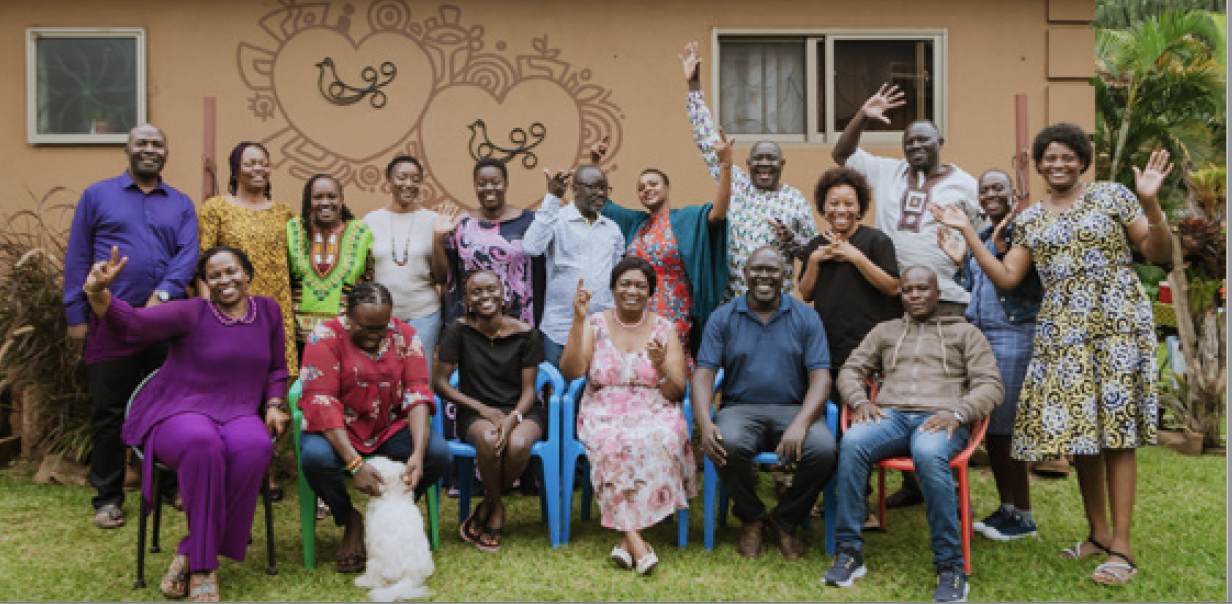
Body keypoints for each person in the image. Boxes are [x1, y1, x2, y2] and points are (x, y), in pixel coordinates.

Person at [932, 124, 1174, 586]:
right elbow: (1006, 277)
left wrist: (1151, 202)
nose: (1058, 164)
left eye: (1067, 156)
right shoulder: (1029, 219)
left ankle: (1122, 549)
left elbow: (1156, 251)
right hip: (1062, 330)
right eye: (1049, 158)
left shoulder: (1114, 197)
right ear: (1039, 165)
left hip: (1117, 324)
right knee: (1083, 432)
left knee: (1117, 435)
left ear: (1082, 160)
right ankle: (1099, 535)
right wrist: (967, 234)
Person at [85, 245, 289, 602]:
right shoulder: (192, 312)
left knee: (255, 447)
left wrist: (273, 404)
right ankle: (204, 567)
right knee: (201, 443)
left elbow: (276, 368)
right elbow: (131, 323)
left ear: (247, 273)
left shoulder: (269, 312)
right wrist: (96, 291)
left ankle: (189, 551)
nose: (224, 280)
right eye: (214, 276)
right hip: (179, 409)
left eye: (231, 272)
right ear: (204, 283)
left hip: (240, 411)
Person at [832, 83, 983, 508]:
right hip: (894, 297)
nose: (916, 146)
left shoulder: (966, 185)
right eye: (909, 141)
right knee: (898, 384)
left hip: (949, 297)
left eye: (924, 140)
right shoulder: (888, 171)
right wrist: (862, 114)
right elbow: (841, 155)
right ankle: (914, 483)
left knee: (944, 386)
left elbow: (986, 234)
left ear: (940, 143)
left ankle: (945, 480)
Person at [827, 266, 1003, 603]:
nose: (915, 295)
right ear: (901, 294)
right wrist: (860, 401)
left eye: (923, 289)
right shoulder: (886, 331)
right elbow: (851, 370)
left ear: (938, 294)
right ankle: (850, 552)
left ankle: (951, 567)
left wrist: (958, 413)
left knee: (927, 451)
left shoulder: (966, 333)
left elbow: (991, 384)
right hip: (890, 416)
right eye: (908, 290)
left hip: (941, 419)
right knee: (851, 442)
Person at [62, 123, 199, 530]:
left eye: (158, 143)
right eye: (142, 142)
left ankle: (172, 487)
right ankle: (107, 497)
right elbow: (78, 255)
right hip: (109, 320)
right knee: (108, 412)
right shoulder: (97, 195)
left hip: (164, 323)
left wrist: (165, 294)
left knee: (172, 405)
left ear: (166, 153)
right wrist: (75, 315)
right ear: (128, 149)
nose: (150, 149)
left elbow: (188, 254)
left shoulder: (181, 203)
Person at [692, 246, 837, 561]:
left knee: (824, 450)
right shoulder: (724, 316)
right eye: (757, 269)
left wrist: (800, 423)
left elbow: (821, 378)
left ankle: (785, 520)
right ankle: (751, 517)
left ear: (784, 275)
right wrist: (704, 423)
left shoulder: (805, 316)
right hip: (740, 410)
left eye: (772, 270)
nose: (764, 276)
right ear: (745, 274)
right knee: (724, 443)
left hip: (794, 410)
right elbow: (703, 376)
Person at [297, 282, 453, 574]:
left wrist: (418, 454)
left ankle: (392, 510)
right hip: (337, 430)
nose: (374, 336)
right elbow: (322, 402)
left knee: (439, 455)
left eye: (381, 328)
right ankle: (349, 519)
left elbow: (417, 393)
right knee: (315, 459)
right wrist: (355, 464)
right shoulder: (325, 337)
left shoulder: (405, 335)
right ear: (348, 316)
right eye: (365, 328)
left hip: (387, 427)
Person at [560, 257, 695, 575]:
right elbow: (572, 370)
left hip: (655, 406)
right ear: (613, 288)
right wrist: (578, 321)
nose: (632, 290)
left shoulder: (664, 328)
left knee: (661, 437)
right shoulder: (594, 324)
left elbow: (676, 391)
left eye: (640, 285)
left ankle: (627, 542)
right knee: (613, 443)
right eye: (625, 284)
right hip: (604, 408)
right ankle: (636, 540)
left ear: (650, 292)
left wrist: (661, 367)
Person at [936, 168, 1044, 541]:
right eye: (985, 190)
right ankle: (1007, 507)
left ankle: (1024, 516)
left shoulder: (1022, 232)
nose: (991, 194)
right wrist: (958, 261)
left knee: (1006, 429)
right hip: (982, 337)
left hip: (1013, 335)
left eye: (998, 187)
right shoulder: (985, 234)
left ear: (1013, 192)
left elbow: (1008, 279)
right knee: (993, 428)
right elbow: (976, 283)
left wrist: (965, 232)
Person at [795, 166, 902, 523]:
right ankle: (832, 497)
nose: (840, 209)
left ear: (860, 207)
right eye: (833, 203)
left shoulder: (876, 242)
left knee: (861, 427)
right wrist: (814, 260)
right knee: (831, 426)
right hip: (828, 349)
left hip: (869, 352)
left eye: (848, 203)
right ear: (824, 208)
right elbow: (806, 293)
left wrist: (855, 257)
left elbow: (892, 287)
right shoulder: (816, 245)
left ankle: (861, 503)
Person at [680, 41, 818, 302]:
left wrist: (791, 240)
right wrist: (694, 86)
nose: (764, 164)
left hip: (778, 307)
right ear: (748, 164)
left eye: (771, 159)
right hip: (733, 305)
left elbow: (811, 253)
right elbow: (705, 138)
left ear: (782, 165)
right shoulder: (737, 186)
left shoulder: (795, 200)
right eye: (758, 159)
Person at [198, 141, 298, 500]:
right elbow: (204, 263)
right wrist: (208, 313)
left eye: (264, 163)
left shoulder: (285, 212)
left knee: (275, 388)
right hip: (230, 310)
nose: (258, 168)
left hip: (276, 311)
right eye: (250, 162)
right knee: (235, 387)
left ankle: (266, 470)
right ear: (235, 169)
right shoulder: (216, 209)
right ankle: (228, 465)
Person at [433, 270, 548, 552]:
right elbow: (438, 382)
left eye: (491, 289)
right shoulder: (458, 331)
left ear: (503, 292)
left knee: (518, 443)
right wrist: (484, 410)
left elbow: (529, 392)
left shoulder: (527, 334)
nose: (485, 297)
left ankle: (486, 504)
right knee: (487, 440)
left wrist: (511, 420)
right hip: (477, 411)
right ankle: (496, 509)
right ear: (467, 300)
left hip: (522, 410)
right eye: (476, 292)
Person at [596, 132, 731, 359]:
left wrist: (726, 164)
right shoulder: (636, 223)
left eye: (653, 184)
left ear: (667, 188)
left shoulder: (685, 218)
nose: (646, 189)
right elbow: (604, 205)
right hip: (636, 307)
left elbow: (717, 214)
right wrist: (596, 163)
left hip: (674, 311)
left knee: (669, 367)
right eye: (641, 188)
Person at [522, 164, 625, 366]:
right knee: (561, 394)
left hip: (602, 330)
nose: (601, 193)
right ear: (575, 189)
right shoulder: (556, 220)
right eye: (593, 187)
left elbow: (615, 277)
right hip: (560, 330)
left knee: (597, 394)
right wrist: (552, 198)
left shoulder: (612, 229)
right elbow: (531, 247)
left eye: (604, 188)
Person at [364, 155, 442, 371]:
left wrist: (440, 237)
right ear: (388, 181)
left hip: (424, 314)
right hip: (381, 316)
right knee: (381, 377)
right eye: (402, 177)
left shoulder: (434, 221)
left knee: (419, 378)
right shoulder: (370, 221)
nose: (409, 184)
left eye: (415, 179)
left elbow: (442, 276)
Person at [287, 174, 374, 350]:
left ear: (341, 199)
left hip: (345, 334)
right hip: (299, 336)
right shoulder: (293, 228)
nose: (325, 203)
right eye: (318, 197)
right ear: (308, 201)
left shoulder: (359, 231)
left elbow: (369, 279)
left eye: (332, 196)